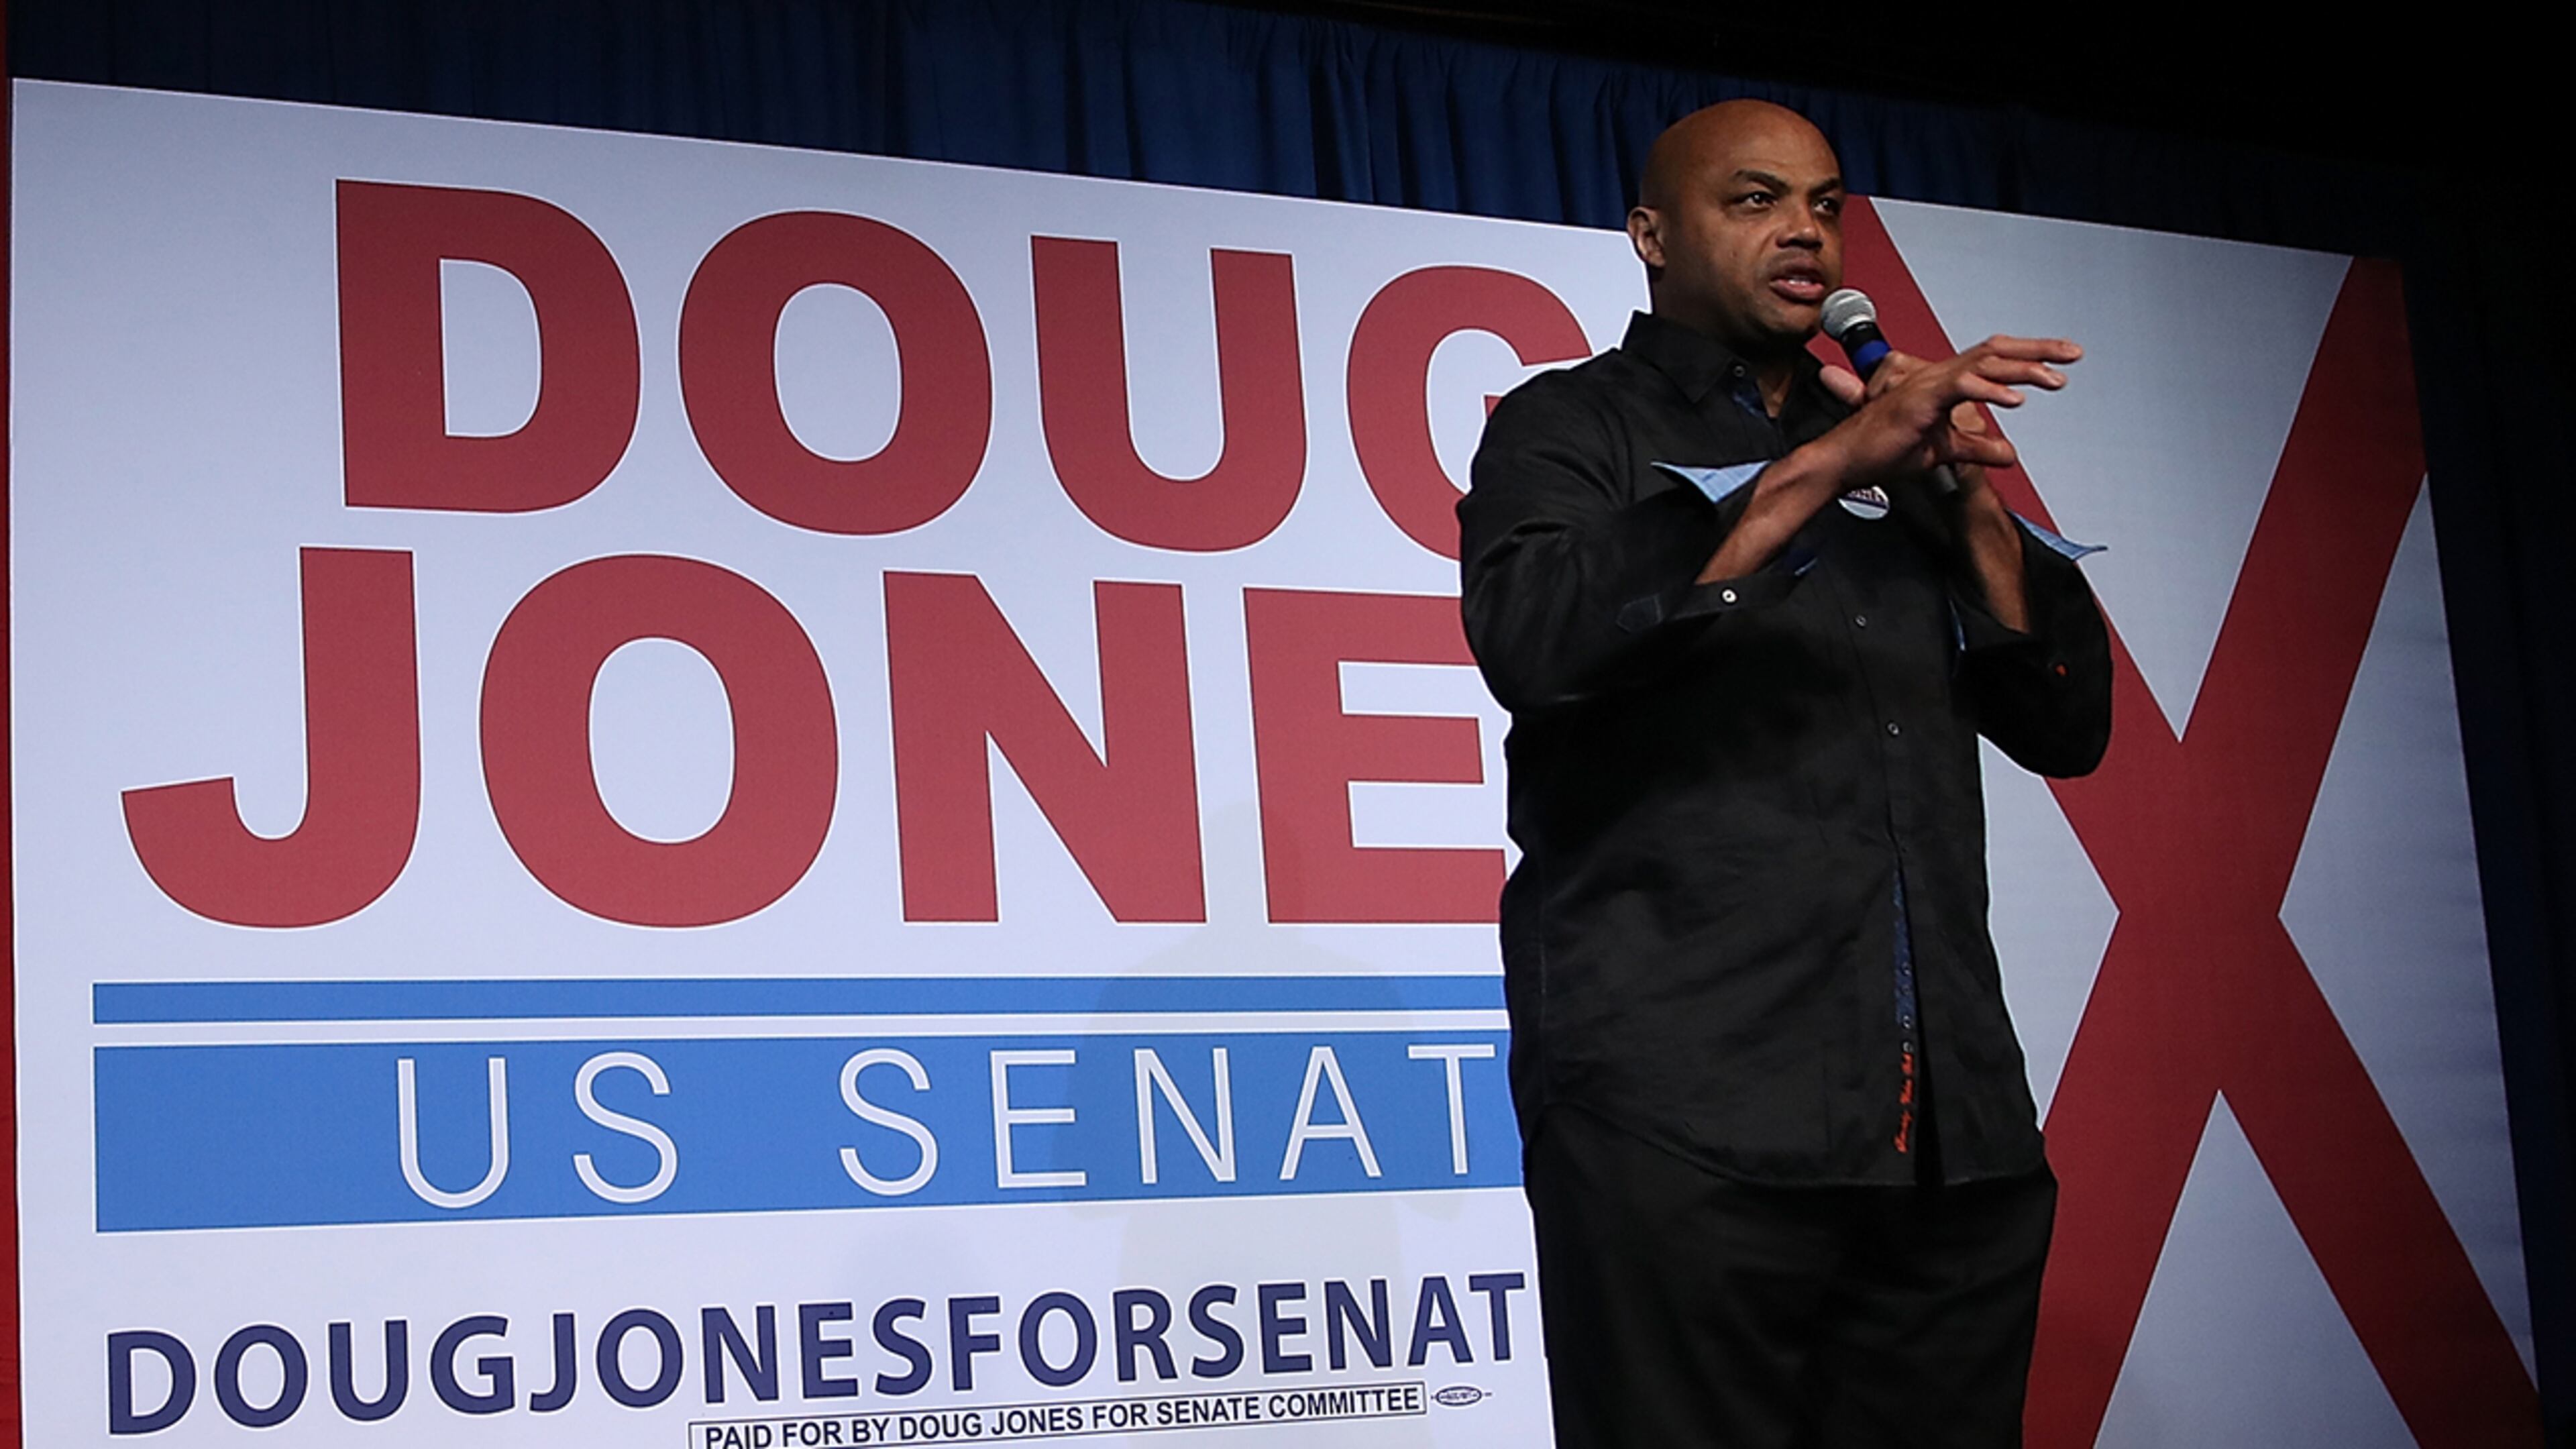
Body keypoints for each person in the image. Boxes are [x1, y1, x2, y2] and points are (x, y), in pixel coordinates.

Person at [1458, 99, 2112, 1447]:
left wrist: (1969, 499)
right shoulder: (1568, 423)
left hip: (1947, 1141)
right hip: (1684, 1126)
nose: (1804, 232)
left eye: (1824, 205)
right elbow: (1540, 638)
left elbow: (2067, 723)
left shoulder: (1895, 447)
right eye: (1755, 201)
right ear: (1652, 235)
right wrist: (1831, 464)